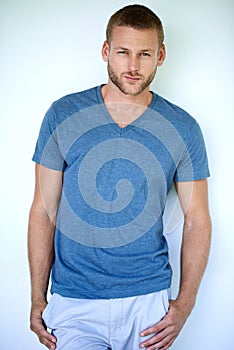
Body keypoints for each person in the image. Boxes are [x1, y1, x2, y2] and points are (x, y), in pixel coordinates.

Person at [28, 4, 212, 350]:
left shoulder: (183, 127)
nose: (132, 66)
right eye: (123, 52)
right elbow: (43, 209)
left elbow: (197, 220)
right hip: (74, 301)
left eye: (144, 54)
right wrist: (38, 298)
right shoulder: (63, 114)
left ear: (161, 55)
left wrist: (185, 304)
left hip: (149, 304)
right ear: (105, 51)